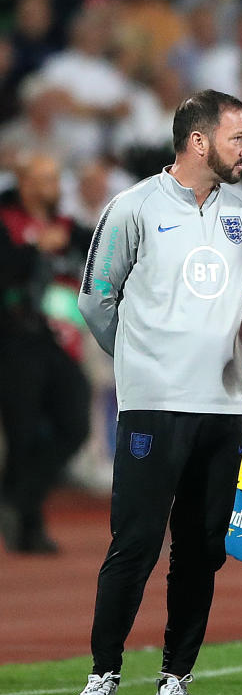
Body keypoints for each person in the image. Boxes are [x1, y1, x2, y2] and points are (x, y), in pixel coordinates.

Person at [68, 90, 242, 695]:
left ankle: (174, 680)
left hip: (225, 406)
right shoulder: (134, 207)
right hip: (153, 406)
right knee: (137, 542)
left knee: (203, 548)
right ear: (199, 141)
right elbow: (96, 299)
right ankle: (102, 676)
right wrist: (137, 364)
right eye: (237, 139)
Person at [0, 151, 91, 554]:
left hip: (57, 343)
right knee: (21, 435)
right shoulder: (6, 224)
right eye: (43, 178)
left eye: (55, 177)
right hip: (14, 340)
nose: (52, 186)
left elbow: (97, 246)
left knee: (75, 424)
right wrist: (36, 249)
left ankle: (16, 498)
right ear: (24, 183)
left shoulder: (68, 227)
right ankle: (29, 527)